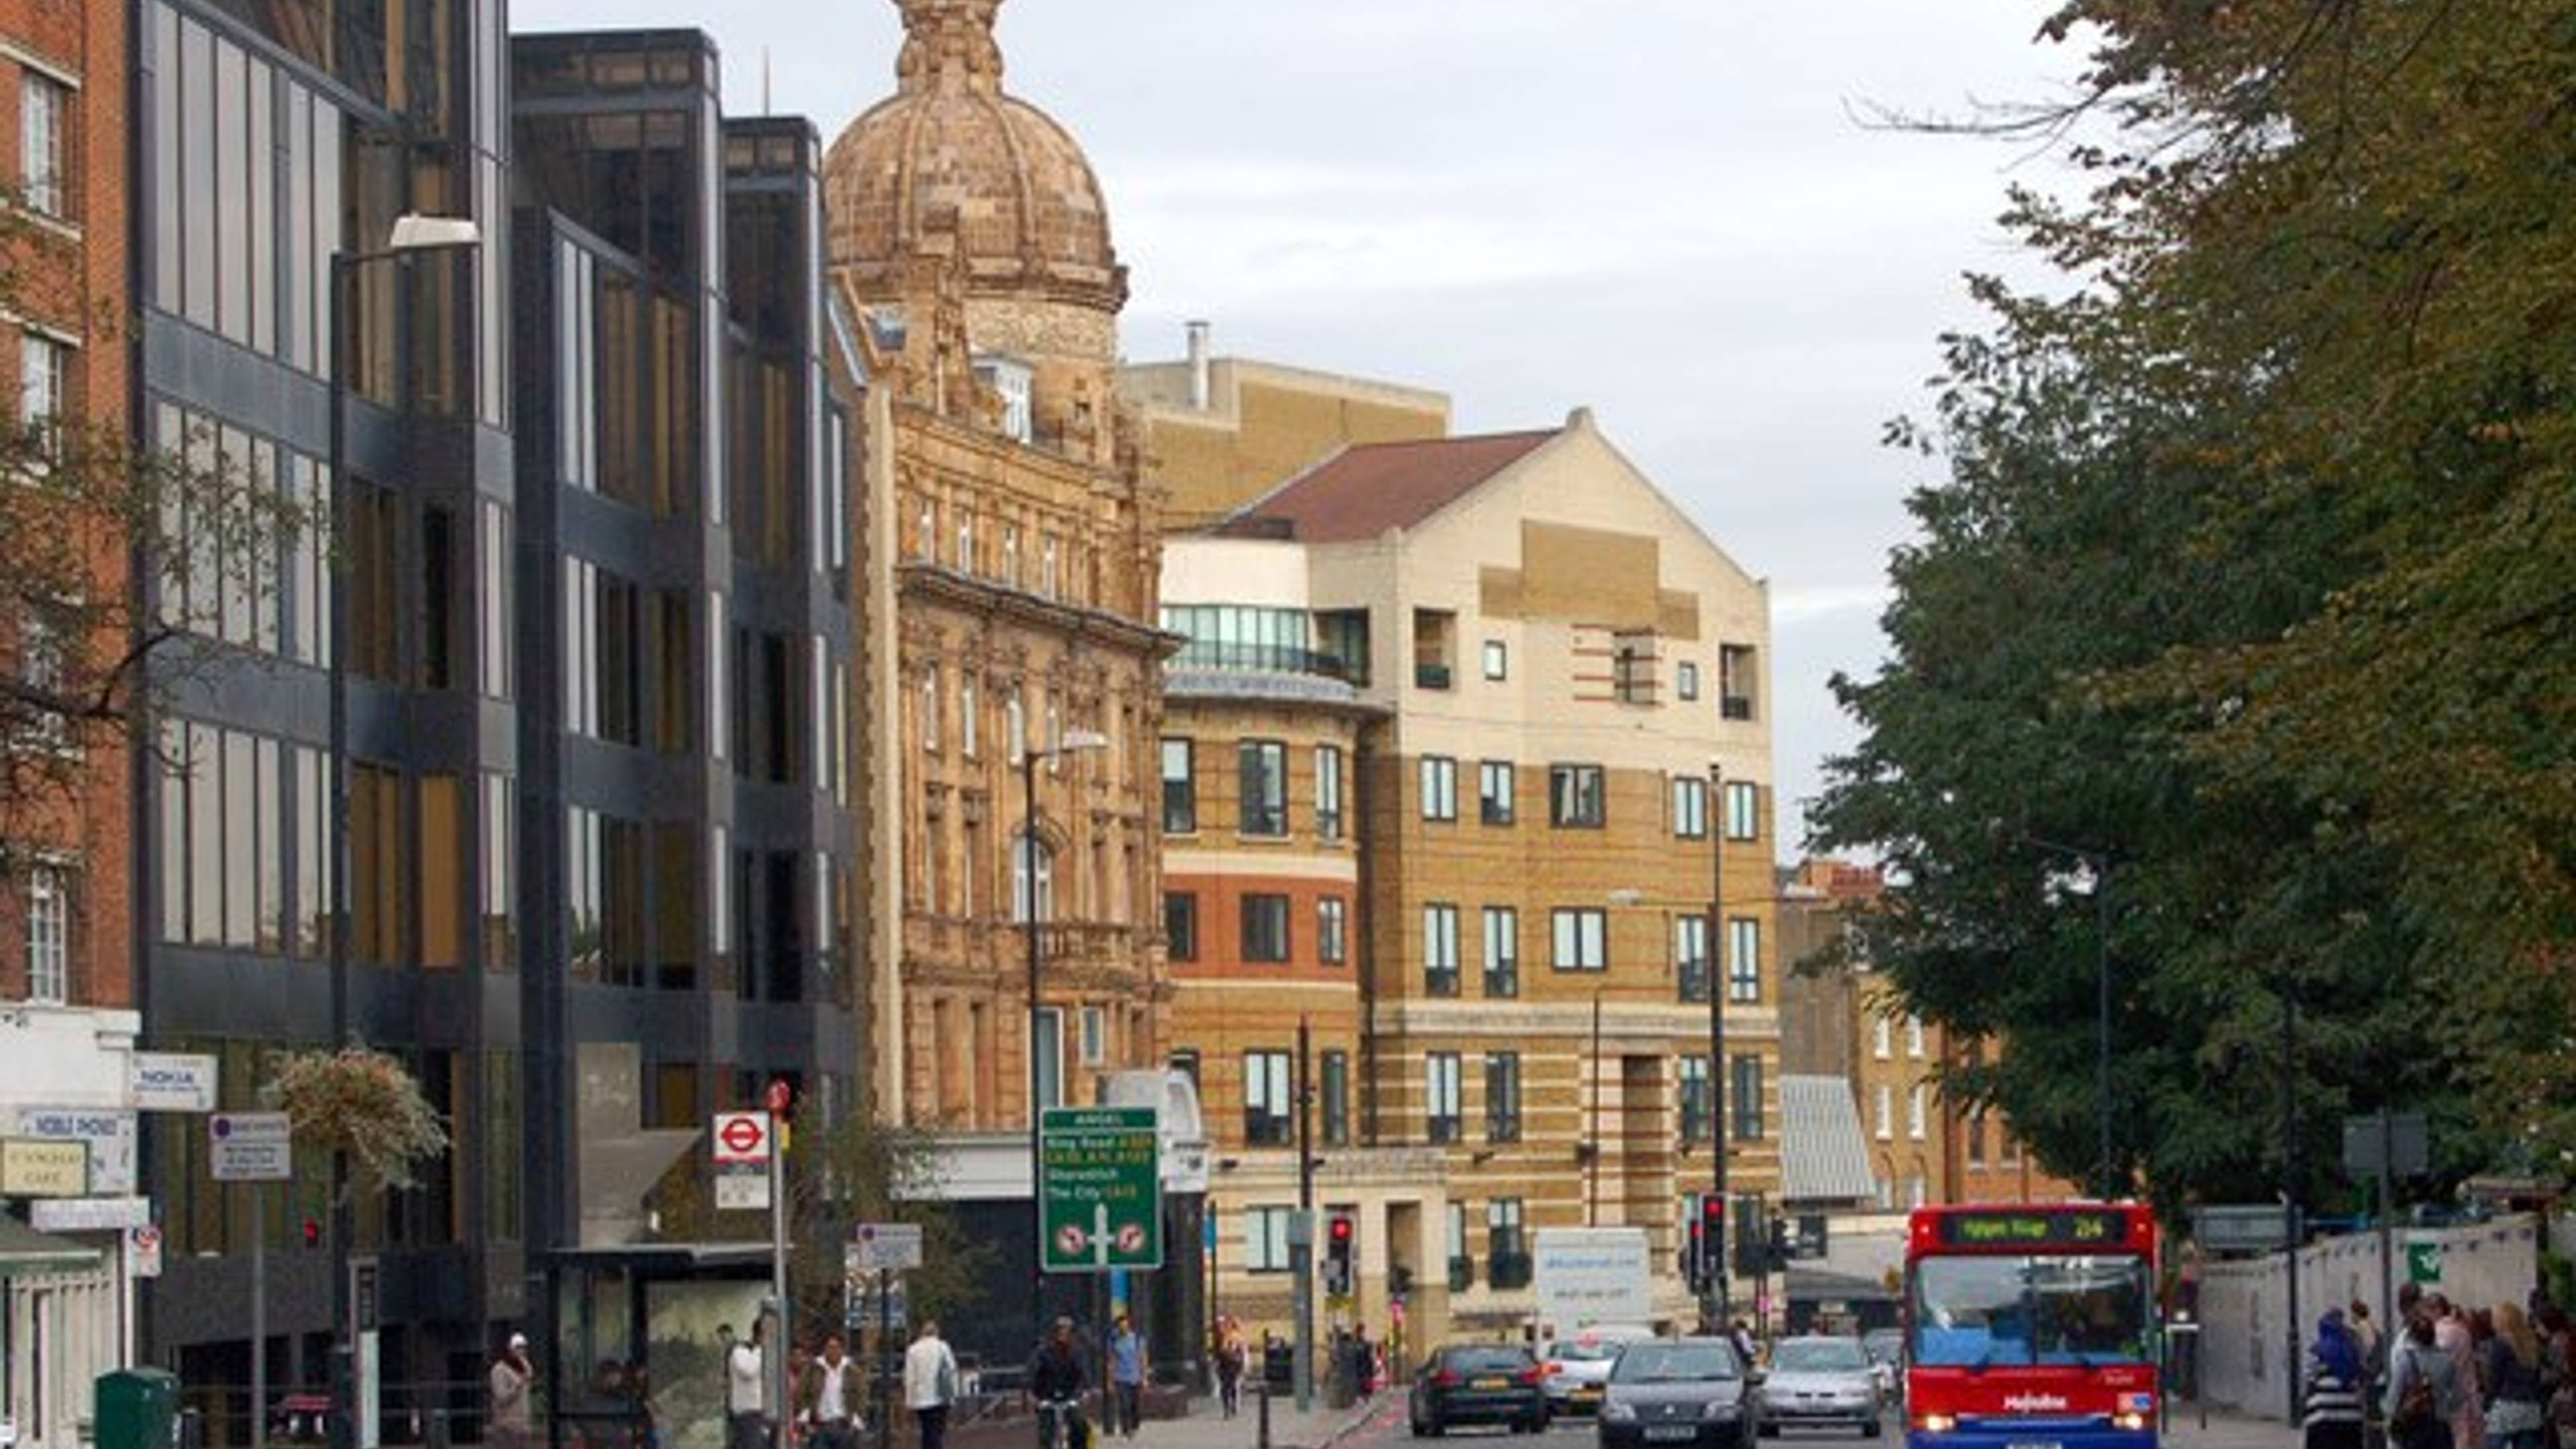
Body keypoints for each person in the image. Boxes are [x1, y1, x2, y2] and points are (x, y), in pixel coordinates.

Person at [2391, 1310, 2466, 1449]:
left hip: (2414, 1426)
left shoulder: (2405, 1359)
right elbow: (2459, 1396)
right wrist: (2445, 1408)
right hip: (2441, 1426)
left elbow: (2395, 1394)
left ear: (2412, 1336)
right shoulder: (2447, 1360)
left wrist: (2391, 1413)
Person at [2481, 1303, 2550, 1449]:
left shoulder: (2500, 1344)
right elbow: (2538, 1377)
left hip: (2507, 1406)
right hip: (2530, 1407)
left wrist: (2486, 1406)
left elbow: (2494, 1379)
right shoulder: (2532, 1343)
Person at [2306, 1309, 2368, 1449]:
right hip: (2351, 1418)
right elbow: (2361, 1377)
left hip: (2323, 1417)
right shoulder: (2353, 1350)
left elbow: (2310, 1380)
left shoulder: (2316, 1351)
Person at [1028, 1317, 1090, 1449]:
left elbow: (1083, 1372)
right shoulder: (1043, 1352)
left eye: (1067, 1331)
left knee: (1080, 1426)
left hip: (1070, 1396)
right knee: (1045, 1433)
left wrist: (1085, 1390)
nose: (1063, 1334)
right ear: (1055, 1332)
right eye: (1060, 1331)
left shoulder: (1077, 1352)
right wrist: (1031, 1393)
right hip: (1047, 1396)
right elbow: (1033, 1372)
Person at [905, 1319, 961, 1449]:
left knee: (927, 1430)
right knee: (937, 1432)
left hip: (922, 1398)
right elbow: (952, 1370)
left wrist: (909, 1401)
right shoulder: (943, 1347)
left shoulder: (913, 1350)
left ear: (922, 1333)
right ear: (936, 1332)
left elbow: (910, 1377)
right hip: (942, 1396)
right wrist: (954, 1395)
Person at [801, 1334, 861, 1449]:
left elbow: (861, 1395)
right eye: (830, 1347)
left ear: (842, 1350)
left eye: (837, 1347)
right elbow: (802, 1393)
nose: (833, 1351)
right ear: (824, 1350)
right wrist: (806, 1417)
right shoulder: (814, 1369)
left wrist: (856, 1422)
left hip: (844, 1425)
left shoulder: (852, 1370)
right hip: (821, 1426)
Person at [724, 1320, 769, 1449]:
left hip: (764, 1414)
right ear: (760, 1335)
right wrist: (761, 1349)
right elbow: (748, 1371)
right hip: (748, 1413)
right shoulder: (740, 1351)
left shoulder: (764, 1354)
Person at [490, 1334, 534, 1449]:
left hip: (523, 1424)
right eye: (518, 1347)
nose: (521, 1351)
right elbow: (501, 1398)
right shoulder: (499, 1370)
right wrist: (517, 1386)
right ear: (510, 1348)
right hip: (507, 1425)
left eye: (524, 1347)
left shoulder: (525, 1366)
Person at [1107, 1313, 1145, 1438]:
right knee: (1124, 1405)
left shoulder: (1137, 1339)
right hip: (1121, 1377)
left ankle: (1134, 1424)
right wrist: (1110, 1380)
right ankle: (1126, 1429)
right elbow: (1112, 1361)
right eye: (1121, 1325)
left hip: (1135, 1376)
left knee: (1136, 1406)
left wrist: (1144, 1377)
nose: (1123, 1327)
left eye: (1125, 1325)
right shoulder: (1114, 1341)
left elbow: (1142, 1358)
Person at [1212, 1317, 1246, 1419]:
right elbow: (1218, 1352)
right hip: (1224, 1364)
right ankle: (1227, 1408)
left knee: (1231, 1386)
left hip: (1233, 1364)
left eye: (1224, 1324)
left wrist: (1242, 1364)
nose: (1222, 1327)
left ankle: (1232, 1406)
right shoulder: (1219, 1337)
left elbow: (1242, 1351)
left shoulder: (1235, 1337)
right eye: (1221, 1325)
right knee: (1225, 1386)